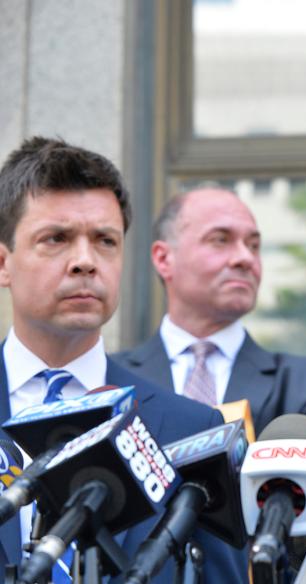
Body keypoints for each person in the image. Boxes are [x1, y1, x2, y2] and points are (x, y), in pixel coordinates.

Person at [0, 137, 247, 582]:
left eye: (104, 241)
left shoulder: (193, 430)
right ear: (3, 263)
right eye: (55, 238)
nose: (84, 262)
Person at [114, 187, 306, 435]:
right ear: (164, 258)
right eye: (220, 240)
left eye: (254, 245)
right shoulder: (110, 382)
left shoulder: (305, 384)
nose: (245, 258)